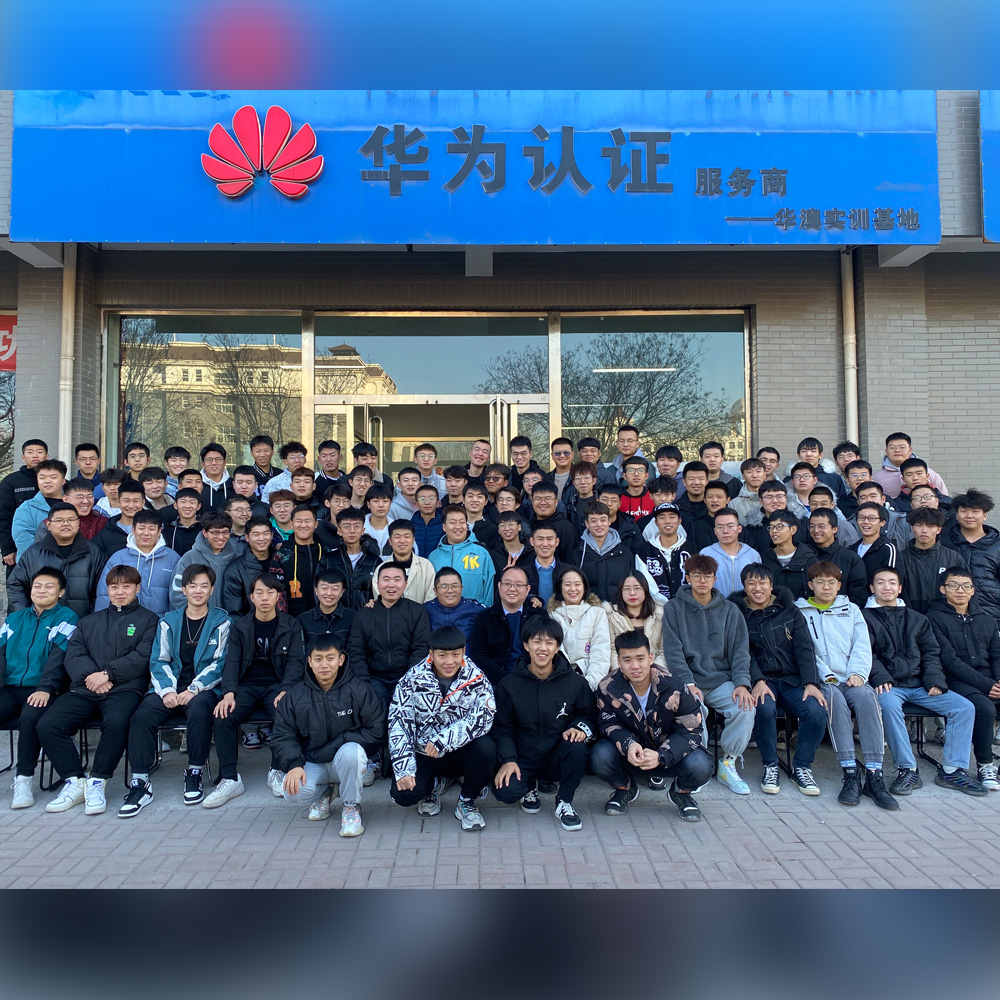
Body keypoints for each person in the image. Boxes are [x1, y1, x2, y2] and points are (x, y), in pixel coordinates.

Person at [37, 565, 158, 815]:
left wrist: (108, 674)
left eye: (126, 586)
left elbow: (143, 656)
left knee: (117, 722)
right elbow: (74, 654)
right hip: (85, 688)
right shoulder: (89, 621)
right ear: (107, 590)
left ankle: (97, 781)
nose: (120, 592)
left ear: (137, 588)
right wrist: (92, 677)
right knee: (48, 724)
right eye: (114, 587)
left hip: (125, 689)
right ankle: (75, 781)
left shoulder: (149, 620)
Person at [118, 565, 230, 817]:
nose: (198, 590)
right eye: (193, 585)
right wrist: (168, 691)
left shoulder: (222, 621)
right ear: (183, 589)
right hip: (169, 687)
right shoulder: (168, 621)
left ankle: (194, 772)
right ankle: (140, 783)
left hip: (203, 688)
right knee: (142, 715)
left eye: (204, 586)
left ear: (212, 589)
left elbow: (220, 663)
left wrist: (193, 689)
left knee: (200, 711)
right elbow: (159, 661)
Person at [864, 566, 983, 797]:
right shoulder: (863, 617)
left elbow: (931, 652)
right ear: (872, 587)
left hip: (920, 684)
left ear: (900, 588)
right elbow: (866, 653)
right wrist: (880, 677)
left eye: (892, 583)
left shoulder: (918, 619)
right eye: (880, 582)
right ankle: (907, 769)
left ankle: (952, 770)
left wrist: (934, 680)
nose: (887, 587)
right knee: (887, 705)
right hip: (888, 685)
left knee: (964, 707)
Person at [794, 562, 898, 810]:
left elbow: (862, 645)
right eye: (820, 582)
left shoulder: (851, 610)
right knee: (835, 704)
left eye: (831, 582)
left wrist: (858, 673)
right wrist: (826, 675)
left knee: (867, 700)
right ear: (811, 585)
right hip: (823, 679)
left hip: (852, 677)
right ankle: (850, 773)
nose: (826, 587)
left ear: (839, 585)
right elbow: (804, 650)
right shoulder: (800, 611)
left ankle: (874, 774)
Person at [204, 573, 307, 808]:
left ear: (278, 596)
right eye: (259, 593)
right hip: (246, 686)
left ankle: (276, 770)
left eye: (270, 592)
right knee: (223, 714)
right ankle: (230, 778)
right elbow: (231, 661)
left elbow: (295, 661)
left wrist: (286, 689)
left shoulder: (290, 624)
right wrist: (228, 693)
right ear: (251, 597)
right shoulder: (240, 626)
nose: (264, 597)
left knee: (284, 712)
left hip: (277, 685)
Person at [660, 554, 755, 795]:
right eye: (697, 576)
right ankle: (698, 765)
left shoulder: (730, 610)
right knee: (694, 710)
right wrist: (688, 683)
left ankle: (728, 763)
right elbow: (673, 652)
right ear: (687, 577)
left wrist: (742, 683)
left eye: (707, 576)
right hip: (689, 680)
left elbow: (740, 651)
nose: (702, 581)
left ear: (714, 578)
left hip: (722, 680)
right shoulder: (673, 608)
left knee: (745, 708)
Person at [593, 631, 712, 821]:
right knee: (600, 756)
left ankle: (681, 793)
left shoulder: (674, 686)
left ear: (650, 657)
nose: (635, 666)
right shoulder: (608, 687)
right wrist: (628, 744)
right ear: (619, 661)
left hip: (670, 755)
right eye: (627, 660)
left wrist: (662, 755)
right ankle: (625, 787)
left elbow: (692, 730)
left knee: (701, 766)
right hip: (630, 754)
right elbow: (607, 722)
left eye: (640, 658)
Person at [731, 564, 828, 796]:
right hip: (763, 680)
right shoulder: (737, 614)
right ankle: (770, 765)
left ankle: (802, 767)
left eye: (762, 583)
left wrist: (811, 683)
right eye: (751, 583)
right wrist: (757, 680)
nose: (757, 588)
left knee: (816, 710)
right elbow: (743, 652)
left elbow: (804, 648)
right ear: (744, 587)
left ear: (771, 585)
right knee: (763, 708)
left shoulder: (790, 611)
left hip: (793, 679)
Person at [274, 634, 385, 835]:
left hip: (344, 761)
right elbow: (283, 735)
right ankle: (326, 793)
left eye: (330, 658)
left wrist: (341, 741)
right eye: (318, 659)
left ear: (341, 660)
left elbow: (375, 731)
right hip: (313, 762)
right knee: (292, 791)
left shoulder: (359, 690)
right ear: (309, 661)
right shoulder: (295, 696)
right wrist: (293, 764)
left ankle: (351, 806)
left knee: (352, 752)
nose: (324, 664)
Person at [388, 625, 496, 831]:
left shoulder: (476, 678)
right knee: (404, 795)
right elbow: (399, 723)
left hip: (460, 750)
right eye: (442, 655)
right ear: (431, 654)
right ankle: (432, 787)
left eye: (455, 654)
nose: (449, 662)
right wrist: (403, 769)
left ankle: (467, 800)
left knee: (487, 748)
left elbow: (484, 717)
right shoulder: (412, 679)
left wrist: (444, 740)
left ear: (463, 652)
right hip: (424, 752)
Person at [493, 615, 595, 831]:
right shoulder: (508, 685)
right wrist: (508, 760)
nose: (543, 648)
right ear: (526, 645)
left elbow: (588, 714)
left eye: (549, 643)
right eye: (537, 642)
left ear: (557, 647)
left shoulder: (575, 682)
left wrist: (580, 728)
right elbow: (503, 727)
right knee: (506, 792)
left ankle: (565, 801)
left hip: (557, 756)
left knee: (577, 749)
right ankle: (528, 786)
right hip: (523, 758)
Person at [0, 567, 78, 810]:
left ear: (61, 592)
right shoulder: (14, 619)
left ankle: (23, 779)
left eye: (49, 586)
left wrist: (46, 688)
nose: (42, 590)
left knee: (30, 718)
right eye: (37, 586)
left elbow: (58, 658)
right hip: (10, 687)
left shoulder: (67, 618)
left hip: (44, 689)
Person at [346, 562, 432, 777]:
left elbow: (421, 648)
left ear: (405, 584)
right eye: (386, 579)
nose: (391, 585)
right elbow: (356, 650)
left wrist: (408, 680)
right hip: (374, 677)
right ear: (377, 584)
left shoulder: (417, 611)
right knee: (371, 708)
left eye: (396, 580)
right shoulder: (364, 615)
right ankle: (373, 760)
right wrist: (364, 680)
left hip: (408, 677)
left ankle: (409, 760)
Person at [927, 568, 1000, 792]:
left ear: (973, 590)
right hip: (956, 679)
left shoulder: (986, 619)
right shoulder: (934, 618)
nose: (960, 590)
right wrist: (988, 686)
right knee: (984, 707)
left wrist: (998, 681)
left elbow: (997, 654)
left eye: (966, 586)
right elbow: (949, 660)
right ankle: (985, 765)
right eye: (954, 585)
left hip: (989, 678)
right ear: (943, 589)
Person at [7, 501, 104, 619]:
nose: (66, 524)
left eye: (71, 520)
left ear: (79, 523)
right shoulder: (34, 553)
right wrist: (27, 617)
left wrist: (92, 620)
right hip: (42, 623)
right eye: (59, 520)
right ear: (48, 525)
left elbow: (103, 591)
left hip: (82, 624)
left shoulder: (94, 553)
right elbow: (15, 585)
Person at [469, 565, 546, 684]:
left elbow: (546, 651)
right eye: (507, 584)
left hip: (533, 680)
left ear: (528, 589)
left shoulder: (539, 616)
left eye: (518, 585)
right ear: (499, 586)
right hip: (496, 683)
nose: (512, 589)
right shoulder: (484, 618)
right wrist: (506, 681)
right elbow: (479, 656)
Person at [95, 509, 179, 615]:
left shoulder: (173, 559)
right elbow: (104, 594)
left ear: (159, 531)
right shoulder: (118, 558)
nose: (146, 533)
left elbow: (178, 595)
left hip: (161, 621)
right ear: (133, 530)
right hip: (124, 620)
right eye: (141, 528)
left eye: (152, 529)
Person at [579, 501, 660, 604]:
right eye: (593, 521)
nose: (599, 525)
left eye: (603, 520)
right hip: (588, 610)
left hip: (619, 610)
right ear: (587, 523)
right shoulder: (578, 555)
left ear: (609, 521)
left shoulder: (625, 554)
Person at [546, 566, 612, 691]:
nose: (573, 589)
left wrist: (589, 685)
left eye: (577, 584)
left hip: (589, 682)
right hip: (559, 683)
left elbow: (601, 653)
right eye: (567, 584)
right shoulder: (553, 616)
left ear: (584, 587)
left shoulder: (597, 613)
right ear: (560, 587)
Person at [898, 507, 968, 615]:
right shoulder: (900, 558)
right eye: (919, 525)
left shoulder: (953, 558)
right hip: (910, 616)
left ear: (939, 529)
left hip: (946, 616)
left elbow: (966, 588)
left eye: (930, 526)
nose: (924, 530)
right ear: (912, 527)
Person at [947, 490, 1000, 622]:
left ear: (985, 515)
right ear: (957, 515)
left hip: (992, 614)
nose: (969, 516)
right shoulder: (945, 543)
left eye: (975, 511)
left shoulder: (997, 545)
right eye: (964, 511)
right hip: (952, 615)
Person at [169, 511, 238, 610]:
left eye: (225, 532)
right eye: (215, 532)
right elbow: (177, 593)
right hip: (197, 617)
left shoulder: (236, 559)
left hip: (229, 618)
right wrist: (198, 613)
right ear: (205, 533)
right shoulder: (189, 558)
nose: (221, 537)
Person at [428, 505, 495, 606]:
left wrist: (486, 610)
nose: (458, 526)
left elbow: (489, 588)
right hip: (441, 613)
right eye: (452, 522)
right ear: (444, 527)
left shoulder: (481, 553)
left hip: (475, 612)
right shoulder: (434, 556)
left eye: (462, 522)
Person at [221, 515, 285, 616]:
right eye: (256, 534)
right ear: (247, 537)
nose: (261, 538)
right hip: (249, 624)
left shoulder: (282, 561)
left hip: (283, 623)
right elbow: (234, 610)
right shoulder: (236, 569)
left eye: (266, 533)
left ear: (272, 535)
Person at [273, 506, 329, 617]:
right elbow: (276, 591)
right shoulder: (281, 555)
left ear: (316, 524)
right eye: (299, 521)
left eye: (308, 521)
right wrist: (285, 621)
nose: (303, 525)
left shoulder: (326, 552)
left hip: (324, 616)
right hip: (293, 619)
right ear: (291, 524)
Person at [602, 572, 664, 673]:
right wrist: (623, 672)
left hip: (655, 672)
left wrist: (653, 672)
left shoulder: (659, 615)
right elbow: (612, 650)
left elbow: (663, 650)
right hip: (622, 672)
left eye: (637, 588)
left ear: (645, 590)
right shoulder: (610, 615)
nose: (632, 593)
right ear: (620, 591)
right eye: (626, 589)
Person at [0, 438, 48, 567]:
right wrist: (7, 549)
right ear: (23, 457)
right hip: (19, 548)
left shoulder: (57, 481)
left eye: (39, 452)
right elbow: (3, 516)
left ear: (47, 456)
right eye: (30, 452)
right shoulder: (11, 482)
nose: (35, 455)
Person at [807, 509, 869, 607]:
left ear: (835, 529)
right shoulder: (804, 555)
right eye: (812, 526)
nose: (816, 530)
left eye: (821, 526)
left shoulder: (850, 558)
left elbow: (858, 594)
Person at [326, 507, 381, 610]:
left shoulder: (374, 561)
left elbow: (381, 593)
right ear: (339, 531)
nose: (352, 531)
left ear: (363, 530)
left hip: (366, 615)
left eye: (357, 526)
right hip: (336, 616)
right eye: (346, 526)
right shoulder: (328, 560)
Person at [12, 459, 67, 559]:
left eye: (53, 477)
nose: (47, 481)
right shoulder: (26, 508)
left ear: (63, 481)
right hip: (35, 563)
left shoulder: (72, 504)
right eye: (42, 477)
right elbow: (23, 540)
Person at [700, 507, 761, 597]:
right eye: (720, 527)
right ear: (715, 531)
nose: (725, 531)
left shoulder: (752, 555)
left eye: (730, 526)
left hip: (745, 604)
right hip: (715, 604)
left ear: (739, 528)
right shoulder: (706, 554)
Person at [636, 502, 691, 600]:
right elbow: (644, 580)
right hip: (655, 605)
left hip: (686, 604)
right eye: (662, 517)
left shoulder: (691, 549)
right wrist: (661, 601)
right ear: (656, 522)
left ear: (679, 521)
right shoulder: (645, 549)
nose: (667, 521)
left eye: (672, 517)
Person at [758, 510, 817, 600]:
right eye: (771, 527)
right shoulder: (764, 559)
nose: (774, 531)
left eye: (779, 527)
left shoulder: (809, 559)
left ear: (793, 529)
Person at [374, 519, 435, 603]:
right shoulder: (381, 569)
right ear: (390, 541)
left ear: (413, 540)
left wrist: (419, 611)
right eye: (397, 537)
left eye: (407, 537)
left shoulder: (426, 566)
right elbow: (380, 600)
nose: (402, 541)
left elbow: (431, 598)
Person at [873, 432, 948, 500]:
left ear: (910, 450)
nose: (897, 450)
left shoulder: (929, 473)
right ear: (886, 451)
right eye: (892, 447)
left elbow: (944, 498)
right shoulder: (877, 478)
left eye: (902, 447)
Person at [298, 567, 355, 648]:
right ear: (316, 590)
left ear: (342, 592)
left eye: (335, 589)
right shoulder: (303, 620)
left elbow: (355, 649)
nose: (329, 593)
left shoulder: (353, 618)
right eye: (324, 588)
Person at [424, 567, 485, 640]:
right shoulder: (425, 610)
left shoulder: (476, 609)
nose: (450, 590)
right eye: (444, 586)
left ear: (461, 588)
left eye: (454, 586)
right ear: (435, 591)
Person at [93, 480, 147, 560]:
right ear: (118, 502)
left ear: (143, 502)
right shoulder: (104, 534)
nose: (131, 505)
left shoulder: (154, 531)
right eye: (126, 501)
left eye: (136, 501)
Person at [527, 481, 578, 562]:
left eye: (548, 498)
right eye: (538, 498)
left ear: (556, 502)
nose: (543, 503)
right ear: (532, 500)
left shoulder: (566, 528)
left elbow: (570, 561)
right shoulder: (527, 525)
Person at [516, 522, 564, 603]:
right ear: (532, 541)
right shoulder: (522, 573)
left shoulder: (568, 572)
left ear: (557, 542)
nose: (545, 544)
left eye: (549, 539)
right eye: (540, 539)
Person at [852, 502, 898, 583]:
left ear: (882, 522)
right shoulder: (851, 549)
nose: (866, 522)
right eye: (861, 518)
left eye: (872, 518)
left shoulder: (888, 549)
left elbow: (890, 581)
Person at [162, 487, 203, 556]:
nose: (187, 506)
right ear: (175, 505)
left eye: (192, 502)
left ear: (198, 506)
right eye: (183, 502)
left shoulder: (204, 529)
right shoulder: (167, 531)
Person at [462, 483, 502, 553]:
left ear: (486, 501)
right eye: (470, 496)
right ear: (463, 499)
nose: (474, 500)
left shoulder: (492, 529)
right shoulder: (456, 526)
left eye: (479, 497)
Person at [198, 442, 235, 513]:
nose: (214, 463)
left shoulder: (233, 485)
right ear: (203, 464)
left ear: (224, 463)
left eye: (218, 459)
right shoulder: (197, 486)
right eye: (209, 460)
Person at [731, 458, 768, 526]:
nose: (754, 475)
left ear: (764, 475)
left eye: (758, 471)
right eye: (749, 472)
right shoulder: (734, 504)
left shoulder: (773, 499)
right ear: (743, 476)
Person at [411, 483, 444, 555]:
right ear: (416, 503)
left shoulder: (445, 525)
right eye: (422, 499)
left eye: (431, 498)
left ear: (438, 503)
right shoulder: (410, 525)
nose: (427, 502)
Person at [619, 456, 654, 522]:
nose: (636, 474)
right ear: (624, 476)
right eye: (631, 471)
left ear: (646, 476)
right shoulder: (617, 497)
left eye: (641, 470)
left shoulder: (654, 497)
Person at [545, 437, 576, 503]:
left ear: (572, 454)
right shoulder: (545, 478)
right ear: (552, 456)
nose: (562, 456)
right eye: (557, 453)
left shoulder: (581, 477)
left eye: (566, 453)